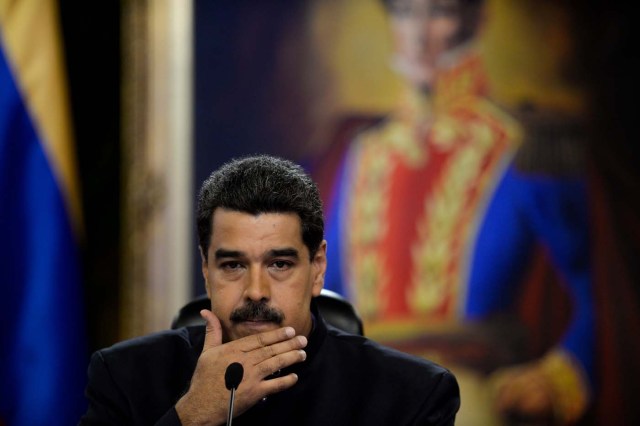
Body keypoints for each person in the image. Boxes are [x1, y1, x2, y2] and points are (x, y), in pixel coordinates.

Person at [320, 0, 594, 423]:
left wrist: (557, 377)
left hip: (465, 399)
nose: (419, 33)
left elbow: (602, 291)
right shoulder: (362, 153)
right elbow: (324, 296)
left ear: (477, 20)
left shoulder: (522, 146)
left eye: (440, 12)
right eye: (405, 13)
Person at [80, 155, 460, 425]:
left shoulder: (411, 395)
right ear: (206, 270)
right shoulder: (124, 377)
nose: (256, 292)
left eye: (280, 264)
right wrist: (193, 416)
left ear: (317, 268)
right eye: (233, 265)